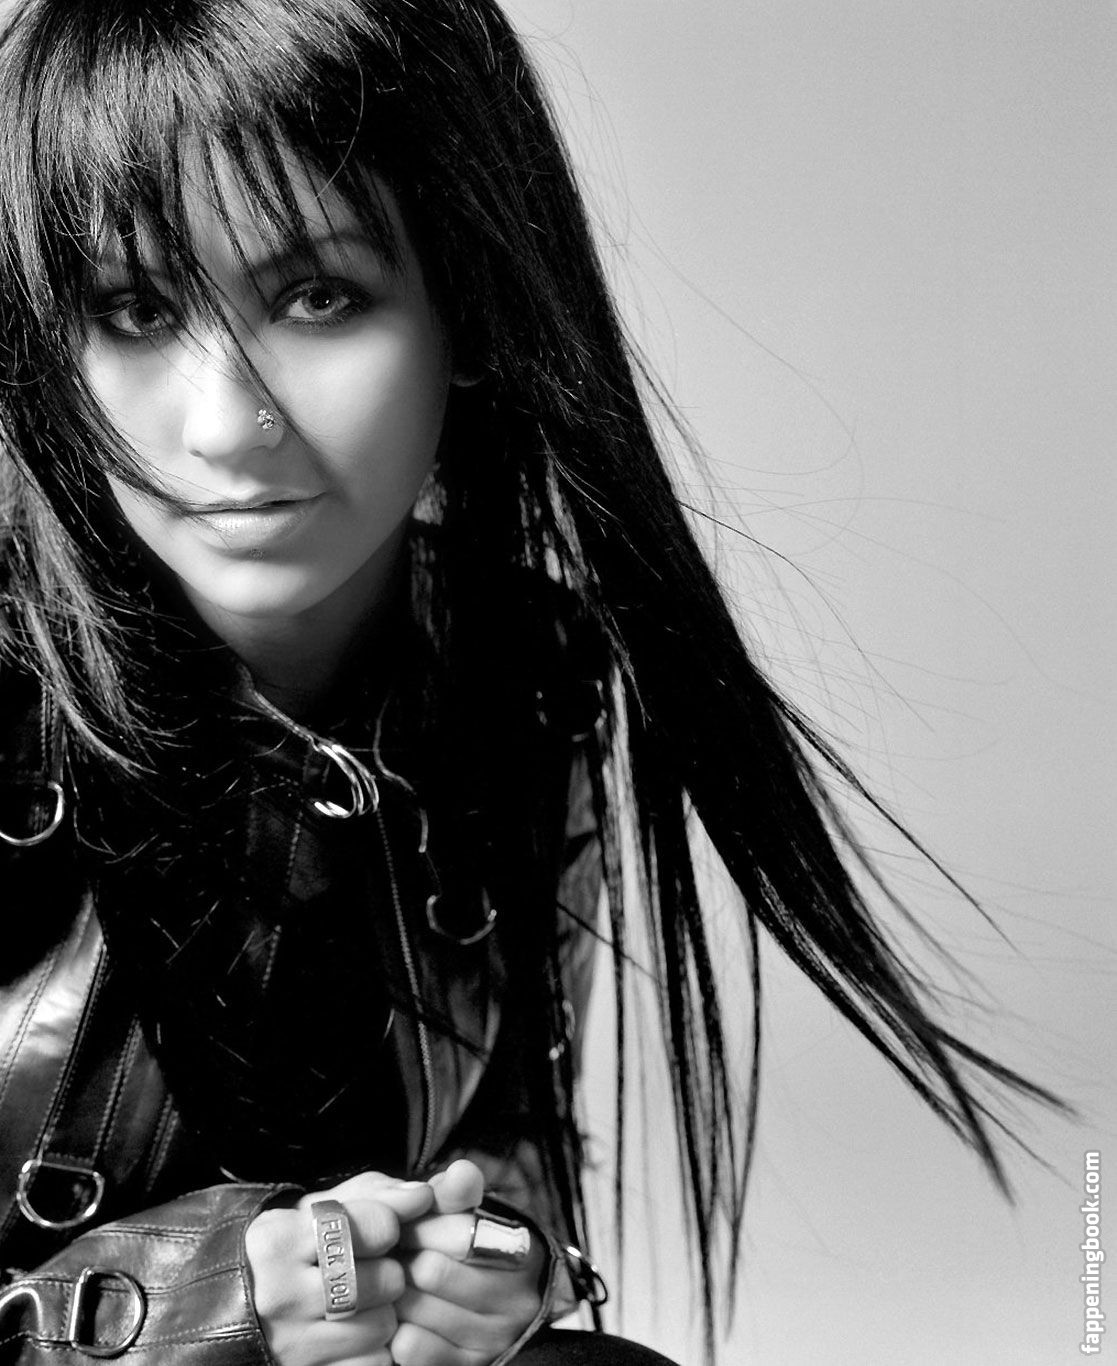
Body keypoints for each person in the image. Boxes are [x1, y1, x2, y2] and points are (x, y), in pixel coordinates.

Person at [0, 1, 1058, 1363]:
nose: (226, 426)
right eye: (135, 311)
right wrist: (208, 1303)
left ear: (470, 306)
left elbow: (501, 1150)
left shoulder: (520, 673)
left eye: (318, 297)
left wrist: (485, 1265)